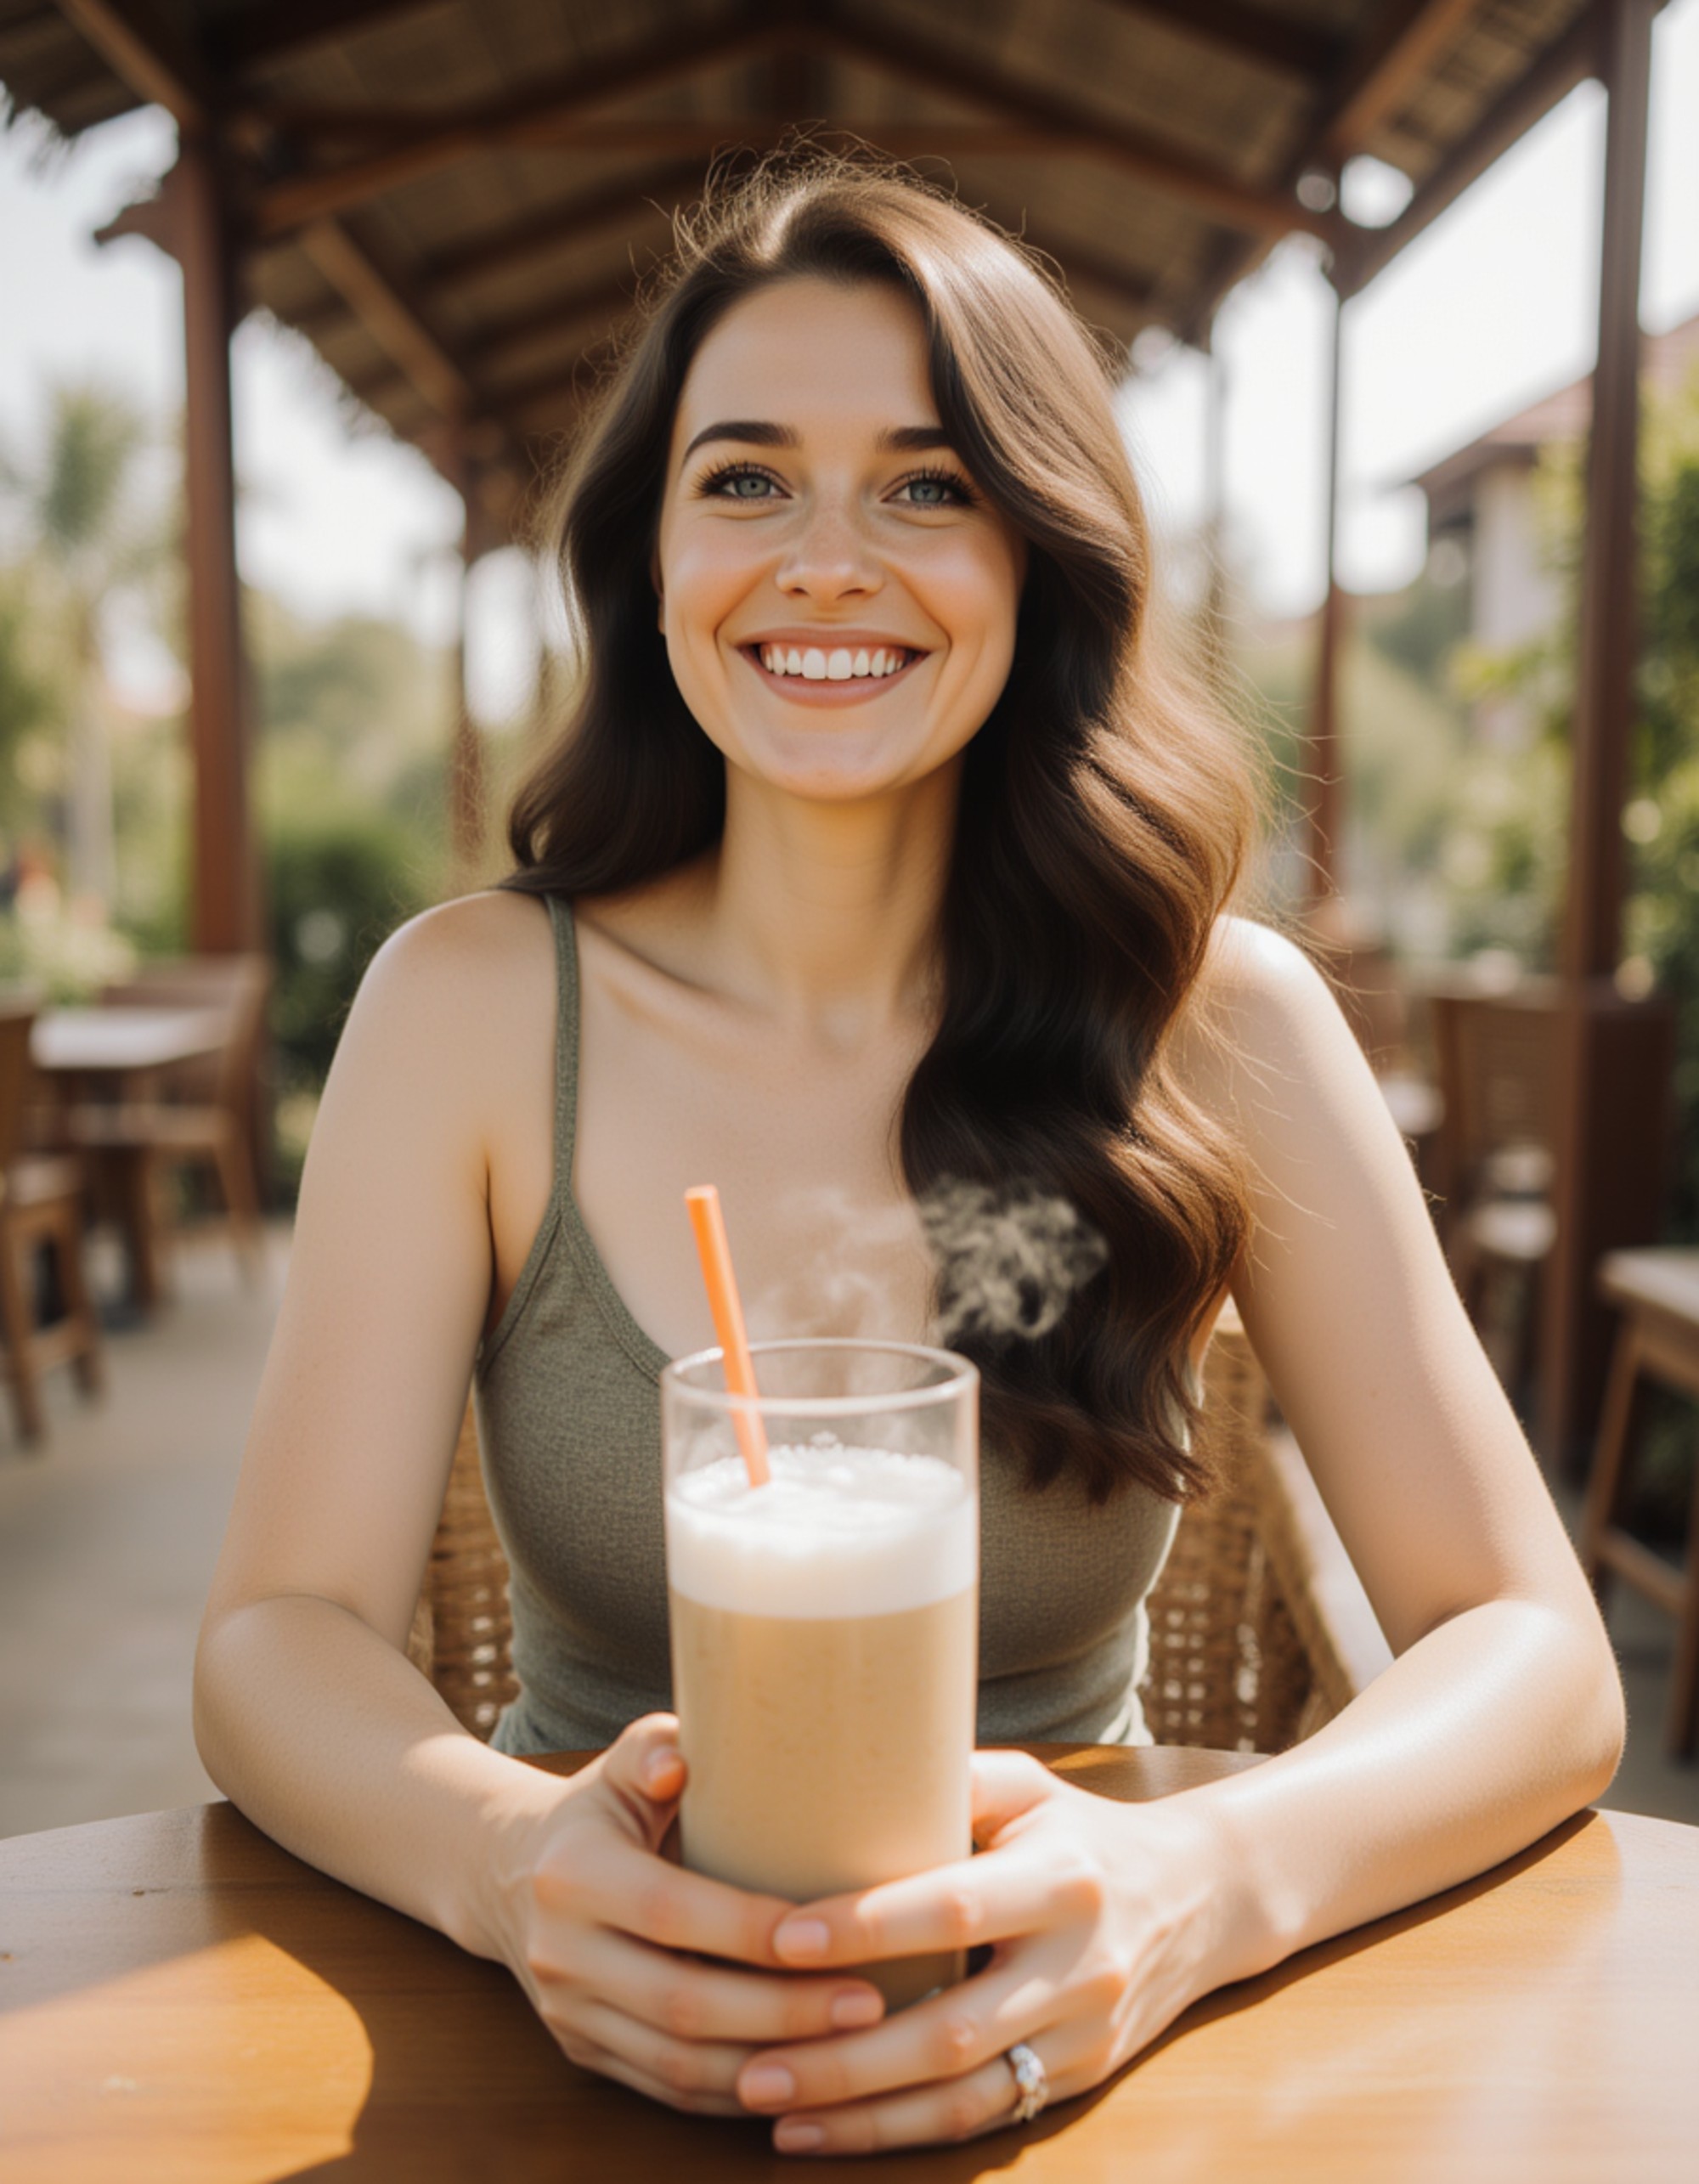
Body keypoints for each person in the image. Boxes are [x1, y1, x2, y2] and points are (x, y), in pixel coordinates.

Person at [195, 155, 1624, 2157]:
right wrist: (508, 1866)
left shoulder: (1217, 1020)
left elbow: (1537, 1654)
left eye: (927, 486)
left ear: (1038, 555)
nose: (825, 561)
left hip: (1087, 2046)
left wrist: (1201, 1881)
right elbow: (275, 1630)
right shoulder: (472, 1010)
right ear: (649, 556)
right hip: (563, 2044)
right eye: (746, 479)